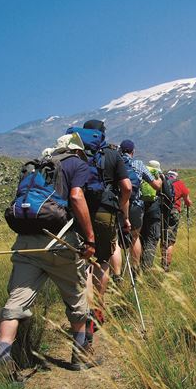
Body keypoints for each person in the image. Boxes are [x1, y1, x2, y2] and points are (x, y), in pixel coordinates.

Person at [0, 133, 98, 373]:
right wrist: (90, 238)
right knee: (77, 299)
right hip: (60, 241)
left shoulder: (38, 166)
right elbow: (76, 196)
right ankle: (79, 357)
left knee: (16, 301)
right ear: (77, 150)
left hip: (26, 242)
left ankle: (2, 356)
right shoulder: (77, 163)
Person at [79, 120, 131, 347]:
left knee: (84, 263)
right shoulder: (113, 153)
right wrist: (121, 209)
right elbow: (127, 186)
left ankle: (84, 310)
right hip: (105, 211)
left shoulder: (77, 152)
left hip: (79, 213)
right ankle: (98, 309)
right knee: (102, 260)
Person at [118, 140, 161, 277]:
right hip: (136, 206)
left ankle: (116, 274)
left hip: (118, 206)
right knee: (135, 238)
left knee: (116, 241)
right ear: (133, 151)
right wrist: (159, 179)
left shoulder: (115, 162)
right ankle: (135, 271)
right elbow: (156, 186)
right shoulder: (138, 164)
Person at [161, 170, 193, 271]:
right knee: (170, 241)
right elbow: (188, 202)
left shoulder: (163, 182)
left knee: (163, 239)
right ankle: (166, 266)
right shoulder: (180, 184)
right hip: (174, 212)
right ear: (176, 176)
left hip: (162, 212)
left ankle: (162, 263)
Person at [139, 160, 163, 271]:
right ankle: (146, 268)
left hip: (140, 209)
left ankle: (136, 266)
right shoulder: (158, 177)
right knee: (152, 239)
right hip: (154, 212)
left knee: (140, 238)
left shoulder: (140, 173)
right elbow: (167, 195)